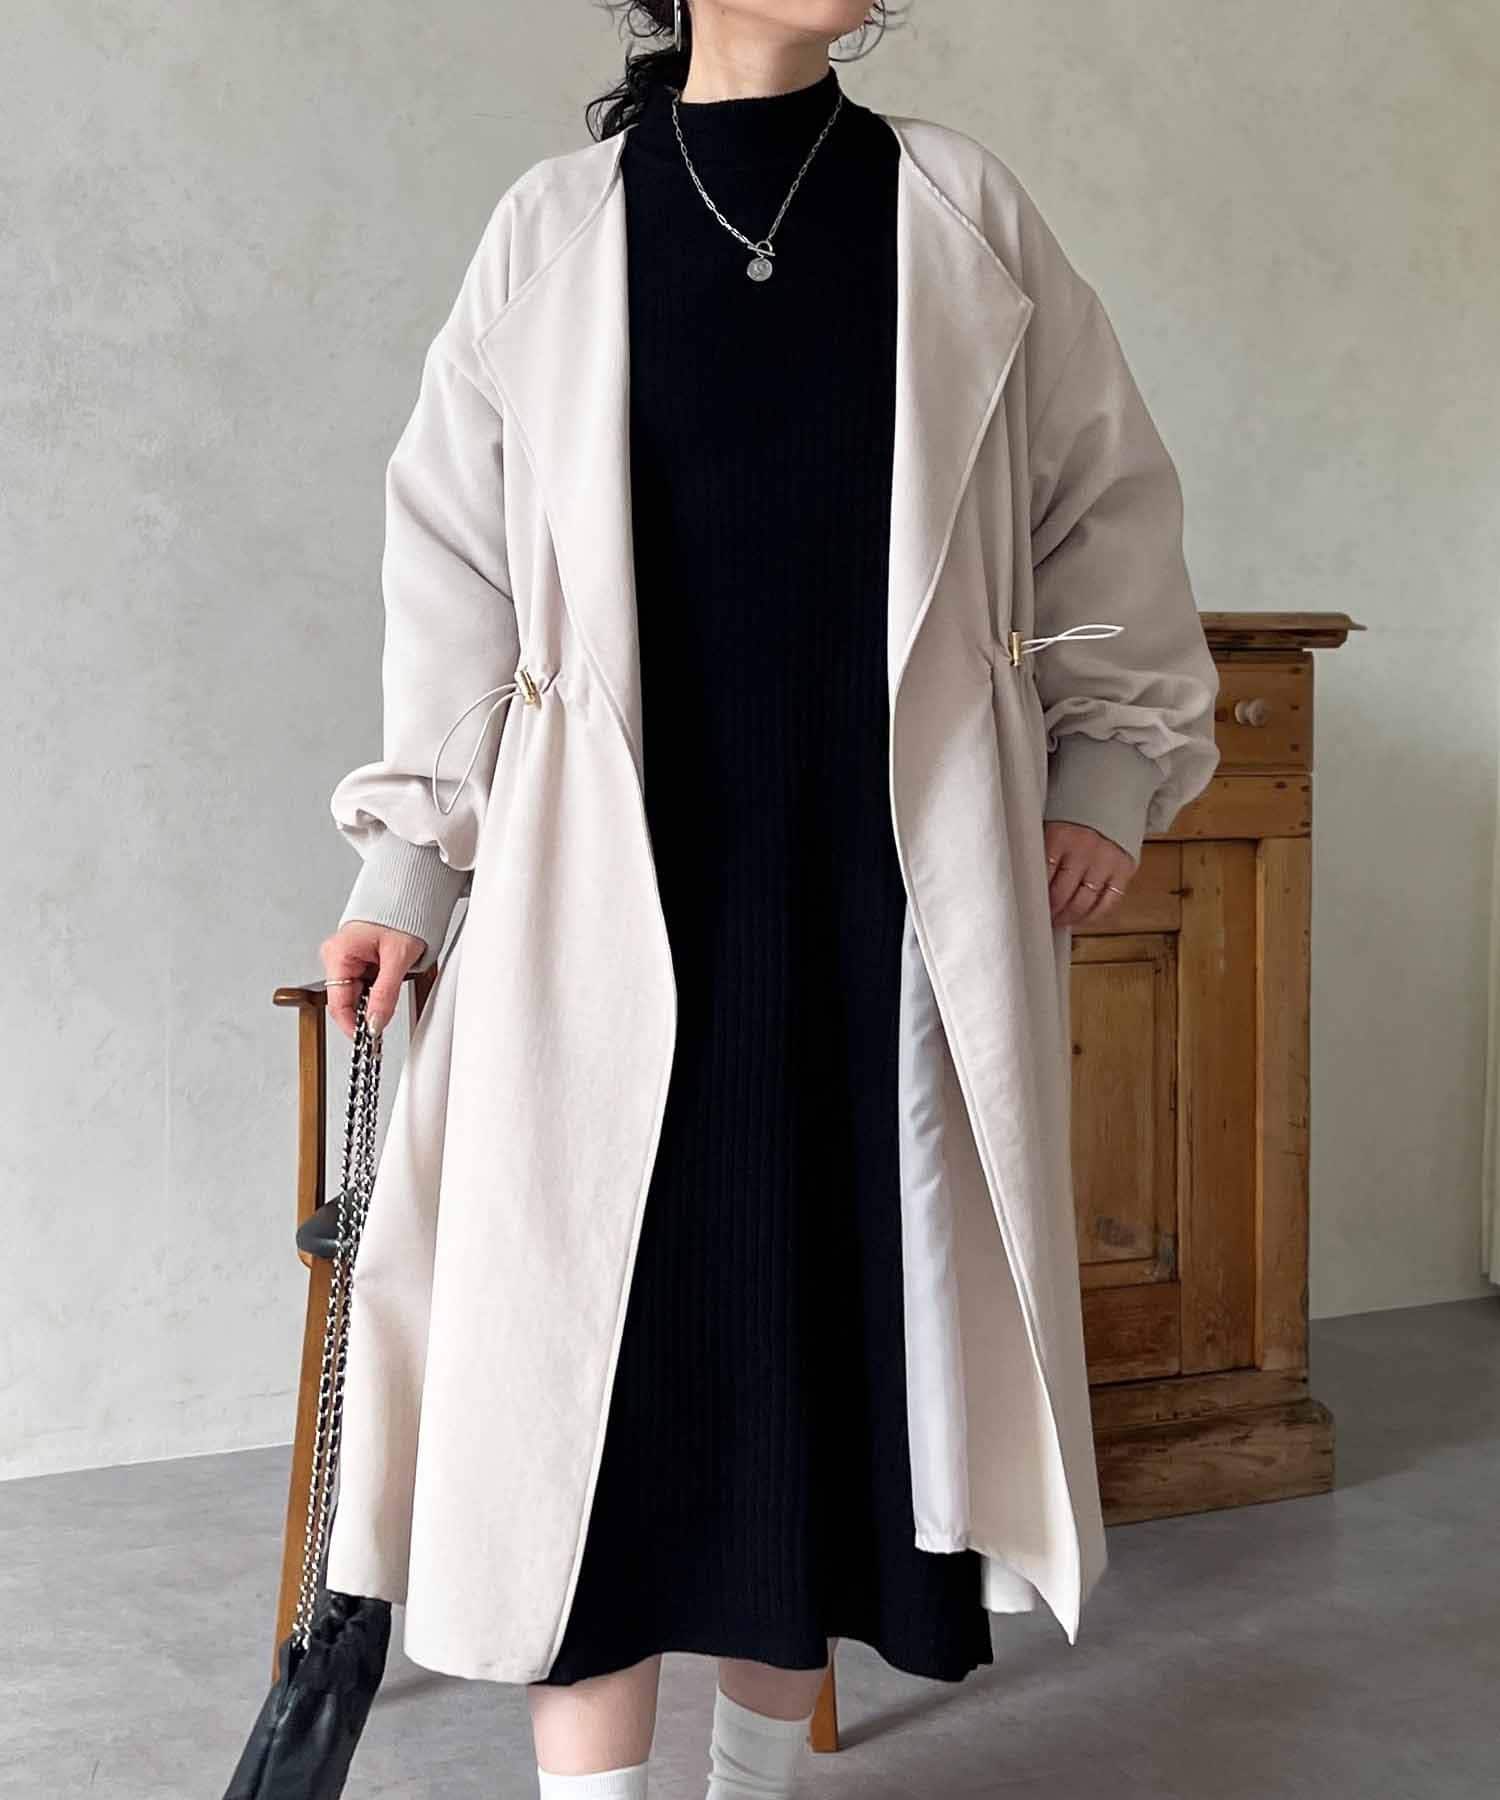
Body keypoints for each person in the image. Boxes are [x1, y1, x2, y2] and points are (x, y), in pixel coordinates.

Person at [319, 4, 1220, 1797]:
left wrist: (1108, 773)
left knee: (806, 1413)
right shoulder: (555, 227)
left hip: (874, 911)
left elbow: (1103, 505)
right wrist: (411, 862)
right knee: (587, 1424)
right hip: (605, 899)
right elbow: (458, 571)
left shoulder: (955, 208)